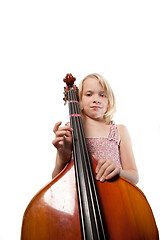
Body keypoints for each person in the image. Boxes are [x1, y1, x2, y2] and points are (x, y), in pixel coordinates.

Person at [52, 73, 139, 184]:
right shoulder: (70, 130)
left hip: (115, 197)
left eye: (102, 95)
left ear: (109, 101)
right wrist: (63, 156)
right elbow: (56, 180)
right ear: (79, 99)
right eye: (89, 94)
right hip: (79, 199)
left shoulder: (119, 130)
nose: (96, 99)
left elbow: (134, 176)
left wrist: (119, 172)